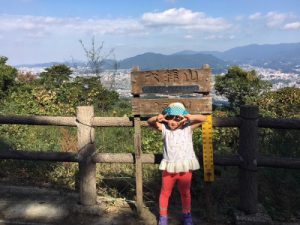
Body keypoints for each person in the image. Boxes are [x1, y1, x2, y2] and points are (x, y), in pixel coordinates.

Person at [147, 102, 207, 225]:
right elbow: (150, 122)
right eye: (169, 117)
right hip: (169, 167)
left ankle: (187, 215)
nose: (173, 121)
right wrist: (157, 118)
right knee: (165, 193)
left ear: (183, 119)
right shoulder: (164, 129)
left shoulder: (188, 129)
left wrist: (190, 116)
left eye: (177, 117)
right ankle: (163, 217)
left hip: (185, 168)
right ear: (165, 118)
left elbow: (204, 119)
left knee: (185, 193)